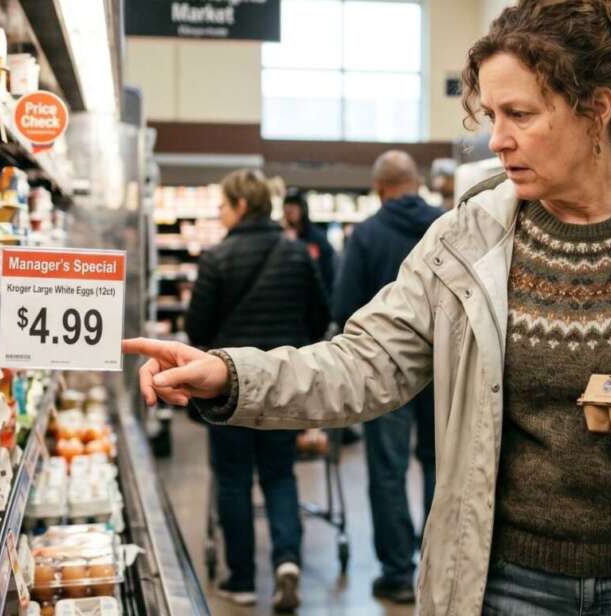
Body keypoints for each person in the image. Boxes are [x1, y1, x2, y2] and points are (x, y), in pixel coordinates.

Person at [123, 1, 611, 613]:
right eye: (491, 116)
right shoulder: (465, 237)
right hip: (506, 580)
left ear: (596, 108)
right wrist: (231, 376)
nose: (496, 139)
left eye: (521, 115)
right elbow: (365, 362)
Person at [183, 169, 330, 612]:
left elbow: (197, 329)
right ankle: (287, 563)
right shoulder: (297, 254)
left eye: (224, 205)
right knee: (279, 474)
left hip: (227, 389)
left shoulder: (216, 259)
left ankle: (242, 578)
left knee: (232, 479)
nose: (221, 214)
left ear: (241, 206)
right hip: (283, 387)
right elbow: (319, 317)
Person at [332, 150, 442, 604]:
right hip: (447, 371)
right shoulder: (450, 225)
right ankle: (440, 565)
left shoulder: (367, 235)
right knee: (445, 465)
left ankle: (397, 573)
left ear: (379, 189)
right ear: (417, 182)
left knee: (388, 471)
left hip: (386, 373)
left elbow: (343, 308)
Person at [282, 186, 338, 295]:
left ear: (303, 208)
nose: (289, 210)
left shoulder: (318, 238)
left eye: (294, 205)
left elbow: (328, 273)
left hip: (314, 297)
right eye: (287, 206)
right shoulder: (281, 237)